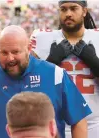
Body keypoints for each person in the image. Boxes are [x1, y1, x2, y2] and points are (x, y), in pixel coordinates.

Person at [0, 25, 91, 138]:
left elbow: (78, 120)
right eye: (3, 52)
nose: (10, 58)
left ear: (29, 47)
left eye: (15, 52)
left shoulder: (55, 74)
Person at [30, 0, 99, 137]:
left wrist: (95, 63)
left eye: (74, 8)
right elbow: (29, 87)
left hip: (95, 124)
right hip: (55, 124)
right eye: (63, 9)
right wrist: (51, 62)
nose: (68, 13)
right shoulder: (42, 38)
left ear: (84, 11)